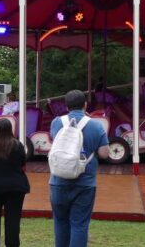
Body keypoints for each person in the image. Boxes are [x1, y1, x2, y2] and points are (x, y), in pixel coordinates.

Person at [49, 90, 109, 247]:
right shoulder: (96, 125)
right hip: (85, 182)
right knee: (79, 224)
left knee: (60, 222)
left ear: (66, 106)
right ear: (85, 105)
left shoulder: (56, 122)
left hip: (58, 181)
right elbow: (104, 153)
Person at [0, 118, 30, 247]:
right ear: (11, 129)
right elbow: (23, 163)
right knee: (13, 221)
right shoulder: (17, 145)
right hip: (15, 188)